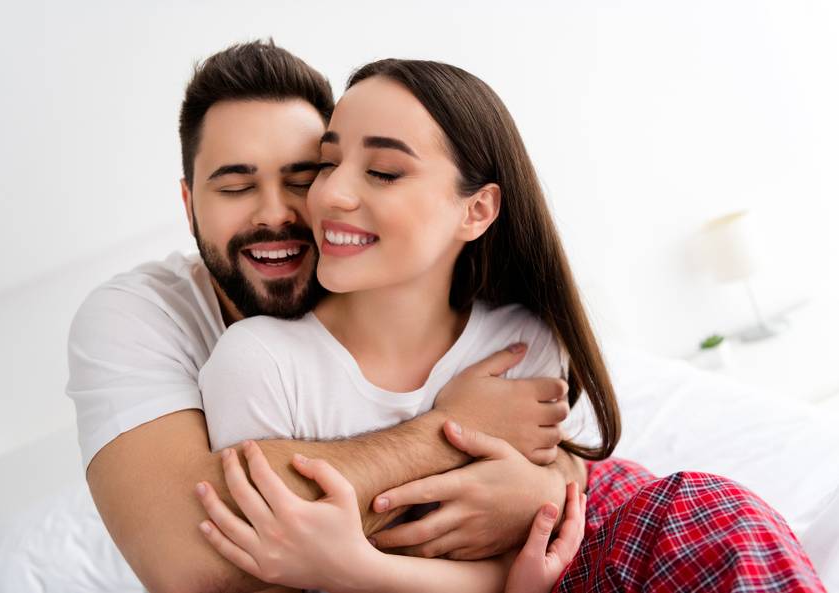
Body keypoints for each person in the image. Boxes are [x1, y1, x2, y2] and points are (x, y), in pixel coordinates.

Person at [192, 58, 827, 592]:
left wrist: (531, 526)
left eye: (382, 171)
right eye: (327, 165)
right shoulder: (259, 363)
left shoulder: (522, 339)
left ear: (477, 210)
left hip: (596, 540)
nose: (328, 197)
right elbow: (271, 548)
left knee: (714, 512)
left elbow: (552, 529)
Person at [67, 41, 581, 593]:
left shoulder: (499, 326)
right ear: (189, 205)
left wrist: (546, 489)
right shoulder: (141, 319)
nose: (276, 215)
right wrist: (449, 432)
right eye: (237, 187)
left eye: (304, 176)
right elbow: (202, 563)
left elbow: (571, 463)